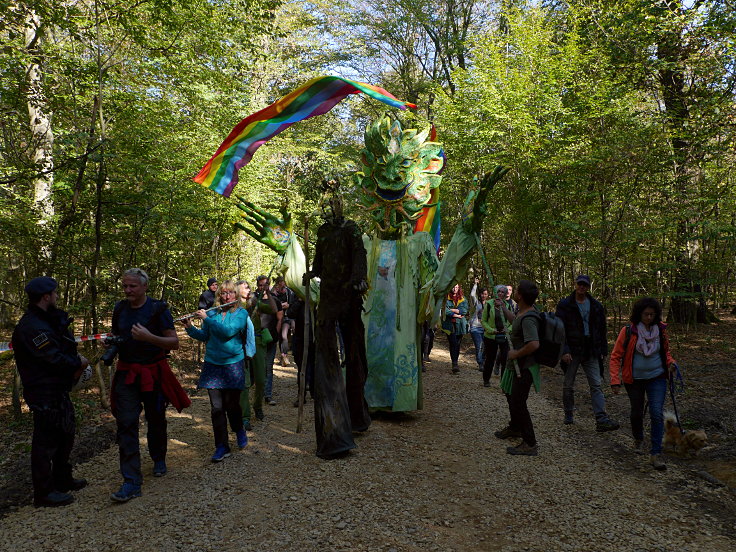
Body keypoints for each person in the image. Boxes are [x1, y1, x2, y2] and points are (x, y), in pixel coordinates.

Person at [109, 268, 189, 502]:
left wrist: (149, 338)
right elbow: (117, 334)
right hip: (127, 372)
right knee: (126, 423)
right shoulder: (119, 309)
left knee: (155, 418)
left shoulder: (158, 309)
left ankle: (159, 457)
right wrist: (111, 343)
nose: (127, 290)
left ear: (144, 286)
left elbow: (173, 343)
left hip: (152, 372)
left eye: (132, 286)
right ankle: (131, 481)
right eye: (124, 286)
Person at [11, 277, 89, 507]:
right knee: (45, 442)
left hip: (57, 388)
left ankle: (62, 479)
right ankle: (43, 493)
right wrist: (78, 363)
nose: (56, 296)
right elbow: (53, 358)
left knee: (65, 433)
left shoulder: (46, 320)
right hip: (43, 391)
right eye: (54, 293)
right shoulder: (32, 327)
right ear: (46, 297)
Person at [183, 280, 255, 462]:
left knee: (232, 406)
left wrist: (206, 318)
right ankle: (222, 446)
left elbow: (228, 331)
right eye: (223, 293)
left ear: (236, 295)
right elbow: (205, 336)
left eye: (230, 293)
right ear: (218, 296)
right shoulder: (213, 313)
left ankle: (239, 429)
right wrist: (190, 327)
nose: (226, 296)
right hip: (213, 364)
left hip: (233, 363)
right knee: (216, 408)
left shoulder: (241, 313)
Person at [610, 297, 677, 471]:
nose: (649, 318)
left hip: (657, 377)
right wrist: (615, 381)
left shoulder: (660, 331)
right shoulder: (628, 331)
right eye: (646, 314)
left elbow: (665, 352)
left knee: (656, 413)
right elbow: (616, 356)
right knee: (636, 413)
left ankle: (655, 454)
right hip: (634, 380)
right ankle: (638, 438)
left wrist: (671, 363)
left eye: (652, 315)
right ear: (639, 314)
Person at [555, 275, 619, 431]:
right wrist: (564, 350)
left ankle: (601, 419)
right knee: (568, 385)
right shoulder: (565, 305)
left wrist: (603, 350)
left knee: (596, 384)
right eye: (580, 284)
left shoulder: (596, 306)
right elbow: (559, 329)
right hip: (572, 350)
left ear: (589, 287)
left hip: (591, 349)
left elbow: (601, 329)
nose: (582, 287)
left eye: (585, 285)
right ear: (575, 285)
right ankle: (569, 414)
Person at [494, 280, 541, 456]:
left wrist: (516, 353)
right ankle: (515, 427)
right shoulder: (525, 312)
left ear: (520, 295)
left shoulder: (529, 318)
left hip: (526, 367)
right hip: (519, 367)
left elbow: (534, 343)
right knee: (510, 395)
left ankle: (530, 442)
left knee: (518, 402)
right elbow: (516, 322)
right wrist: (503, 309)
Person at [238, 278, 277, 426]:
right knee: (245, 383)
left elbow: (274, 310)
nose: (249, 290)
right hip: (241, 346)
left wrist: (268, 293)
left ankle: (258, 407)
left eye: (249, 287)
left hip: (258, 344)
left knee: (261, 380)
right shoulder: (235, 306)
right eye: (245, 287)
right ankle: (245, 416)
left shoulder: (255, 302)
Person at [481, 285, 514, 387]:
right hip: (491, 337)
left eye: (502, 292)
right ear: (495, 292)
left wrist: (507, 330)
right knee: (490, 358)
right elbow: (484, 320)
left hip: (504, 337)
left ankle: (503, 383)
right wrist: (491, 330)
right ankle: (486, 380)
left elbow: (512, 322)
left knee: (504, 359)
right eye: (498, 292)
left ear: (505, 294)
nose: (500, 294)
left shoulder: (507, 306)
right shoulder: (489, 304)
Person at [256, 276, 282, 406]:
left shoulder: (275, 300)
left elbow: (279, 316)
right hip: (257, 339)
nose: (262, 288)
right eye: (260, 285)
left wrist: (277, 331)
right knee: (258, 368)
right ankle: (258, 394)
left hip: (271, 338)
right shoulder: (254, 301)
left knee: (268, 367)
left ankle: (267, 395)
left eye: (265, 285)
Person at [442, 284, 468, 373]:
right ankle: (454, 363)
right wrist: (455, 313)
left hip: (460, 324)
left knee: (457, 344)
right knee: (453, 343)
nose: (454, 289)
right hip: (449, 324)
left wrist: (453, 310)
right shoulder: (446, 298)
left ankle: (455, 361)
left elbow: (464, 310)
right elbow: (445, 310)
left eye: (456, 287)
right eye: (453, 287)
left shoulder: (463, 298)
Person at [272, 276, 295, 367]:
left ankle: (284, 355)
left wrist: (288, 305)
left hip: (287, 317)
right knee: (280, 337)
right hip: (277, 318)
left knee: (284, 335)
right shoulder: (274, 292)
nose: (282, 284)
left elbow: (293, 303)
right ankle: (282, 356)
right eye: (280, 282)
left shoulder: (289, 292)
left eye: (283, 282)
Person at [469, 278, 488, 372]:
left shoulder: (489, 304)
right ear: (479, 294)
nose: (484, 296)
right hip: (475, 328)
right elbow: (472, 295)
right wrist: (475, 284)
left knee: (485, 346)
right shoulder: (476, 302)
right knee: (479, 345)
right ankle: (481, 363)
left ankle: (483, 361)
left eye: (485, 294)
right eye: (482, 294)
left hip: (485, 329)